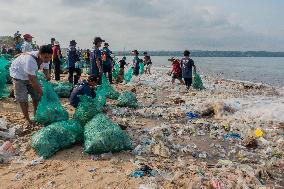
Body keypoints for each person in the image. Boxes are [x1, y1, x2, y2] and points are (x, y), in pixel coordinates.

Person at [9, 45, 52, 126]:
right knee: (23, 98)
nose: (48, 59)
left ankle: (36, 116)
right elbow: (32, 79)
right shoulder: (30, 60)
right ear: (40, 54)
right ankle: (27, 119)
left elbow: (46, 70)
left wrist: (48, 77)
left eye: (50, 57)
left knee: (37, 97)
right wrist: (41, 92)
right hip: (18, 74)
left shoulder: (46, 59)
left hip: (30, 74)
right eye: (46, 57)